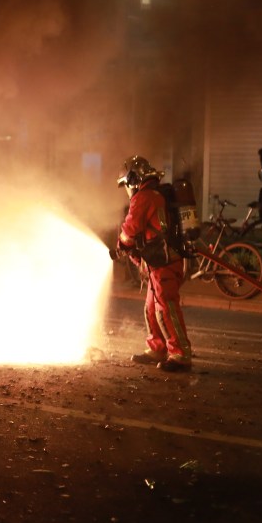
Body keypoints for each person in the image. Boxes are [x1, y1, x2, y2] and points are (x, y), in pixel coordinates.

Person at [116, 155, 193, 373]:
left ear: (133, 180)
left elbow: (131, 228)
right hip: (160, 262)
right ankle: (157, 348)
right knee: (152, 307)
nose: (127, 189)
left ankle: (180, 354)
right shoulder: (157, 194)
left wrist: (122, 243)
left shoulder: (144, 197)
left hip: (164, 263)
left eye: (126, 184)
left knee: (166, 307)